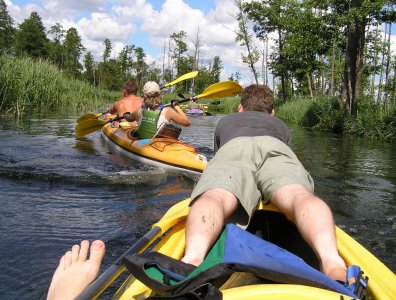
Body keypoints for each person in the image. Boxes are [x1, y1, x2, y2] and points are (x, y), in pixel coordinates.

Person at [181, 84, 348, 282]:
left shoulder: (225, 121)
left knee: (216, 194)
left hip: (235, 147)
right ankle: (333, 263)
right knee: (297, 194)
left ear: (240, 108)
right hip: (274, 145)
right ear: (272, 112)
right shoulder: (280, 126)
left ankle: (192, 260)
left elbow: (219, 155)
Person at [125, 81, 191, 139]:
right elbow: (187, 123)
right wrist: (176, 106)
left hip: (143, 145)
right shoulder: (167, 111)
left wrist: (125, 115)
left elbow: (129, 118)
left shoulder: (138, 112)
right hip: (160, 146)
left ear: (144, 95)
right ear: (159, 94)